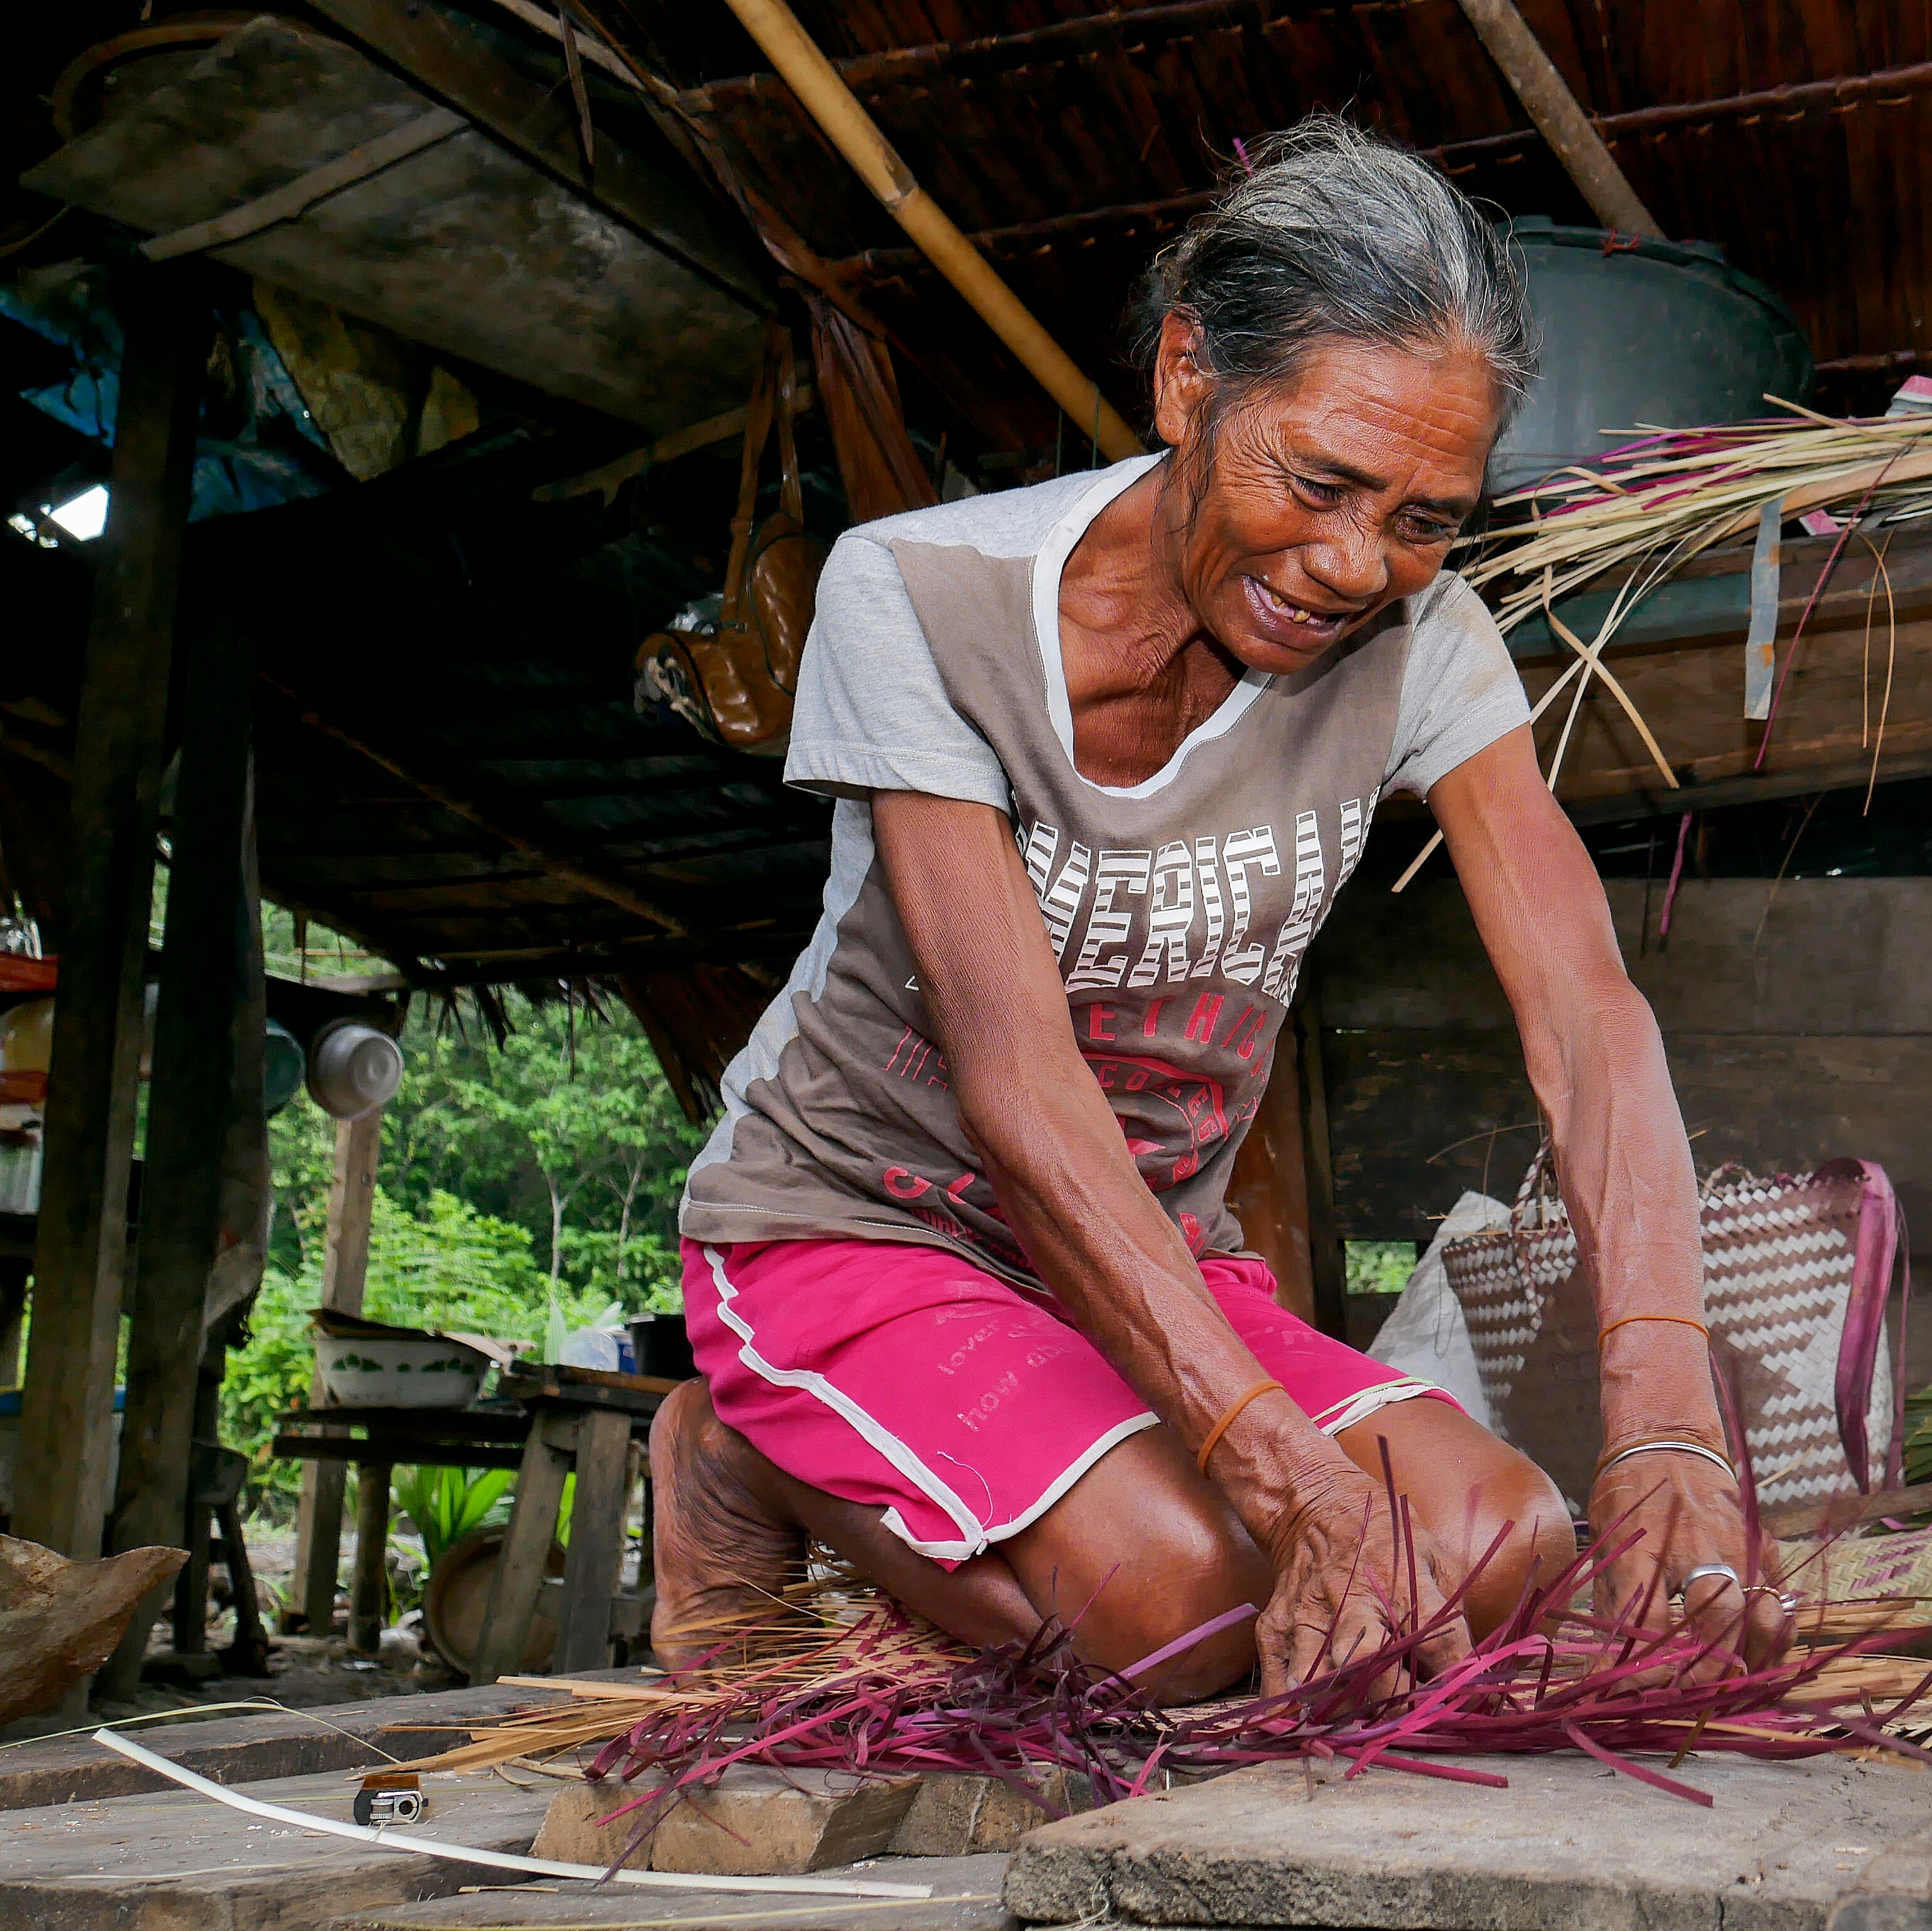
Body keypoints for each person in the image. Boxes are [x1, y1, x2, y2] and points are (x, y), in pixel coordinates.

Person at [651, 117, 1789, 1703]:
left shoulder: (1428, 640)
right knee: (1192, 1605)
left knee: (1501, 1546)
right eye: (1319, 479)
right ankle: (745, 1451)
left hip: (1150, 1264)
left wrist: (1667, 1412)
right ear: (1190, 377)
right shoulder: (919, 597)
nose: (1352, 562)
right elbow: (1017, 1083)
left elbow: (1588, 1020)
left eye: (1424, 516)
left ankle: (1034, 1501)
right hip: (864, 1223)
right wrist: (1291, 1487)